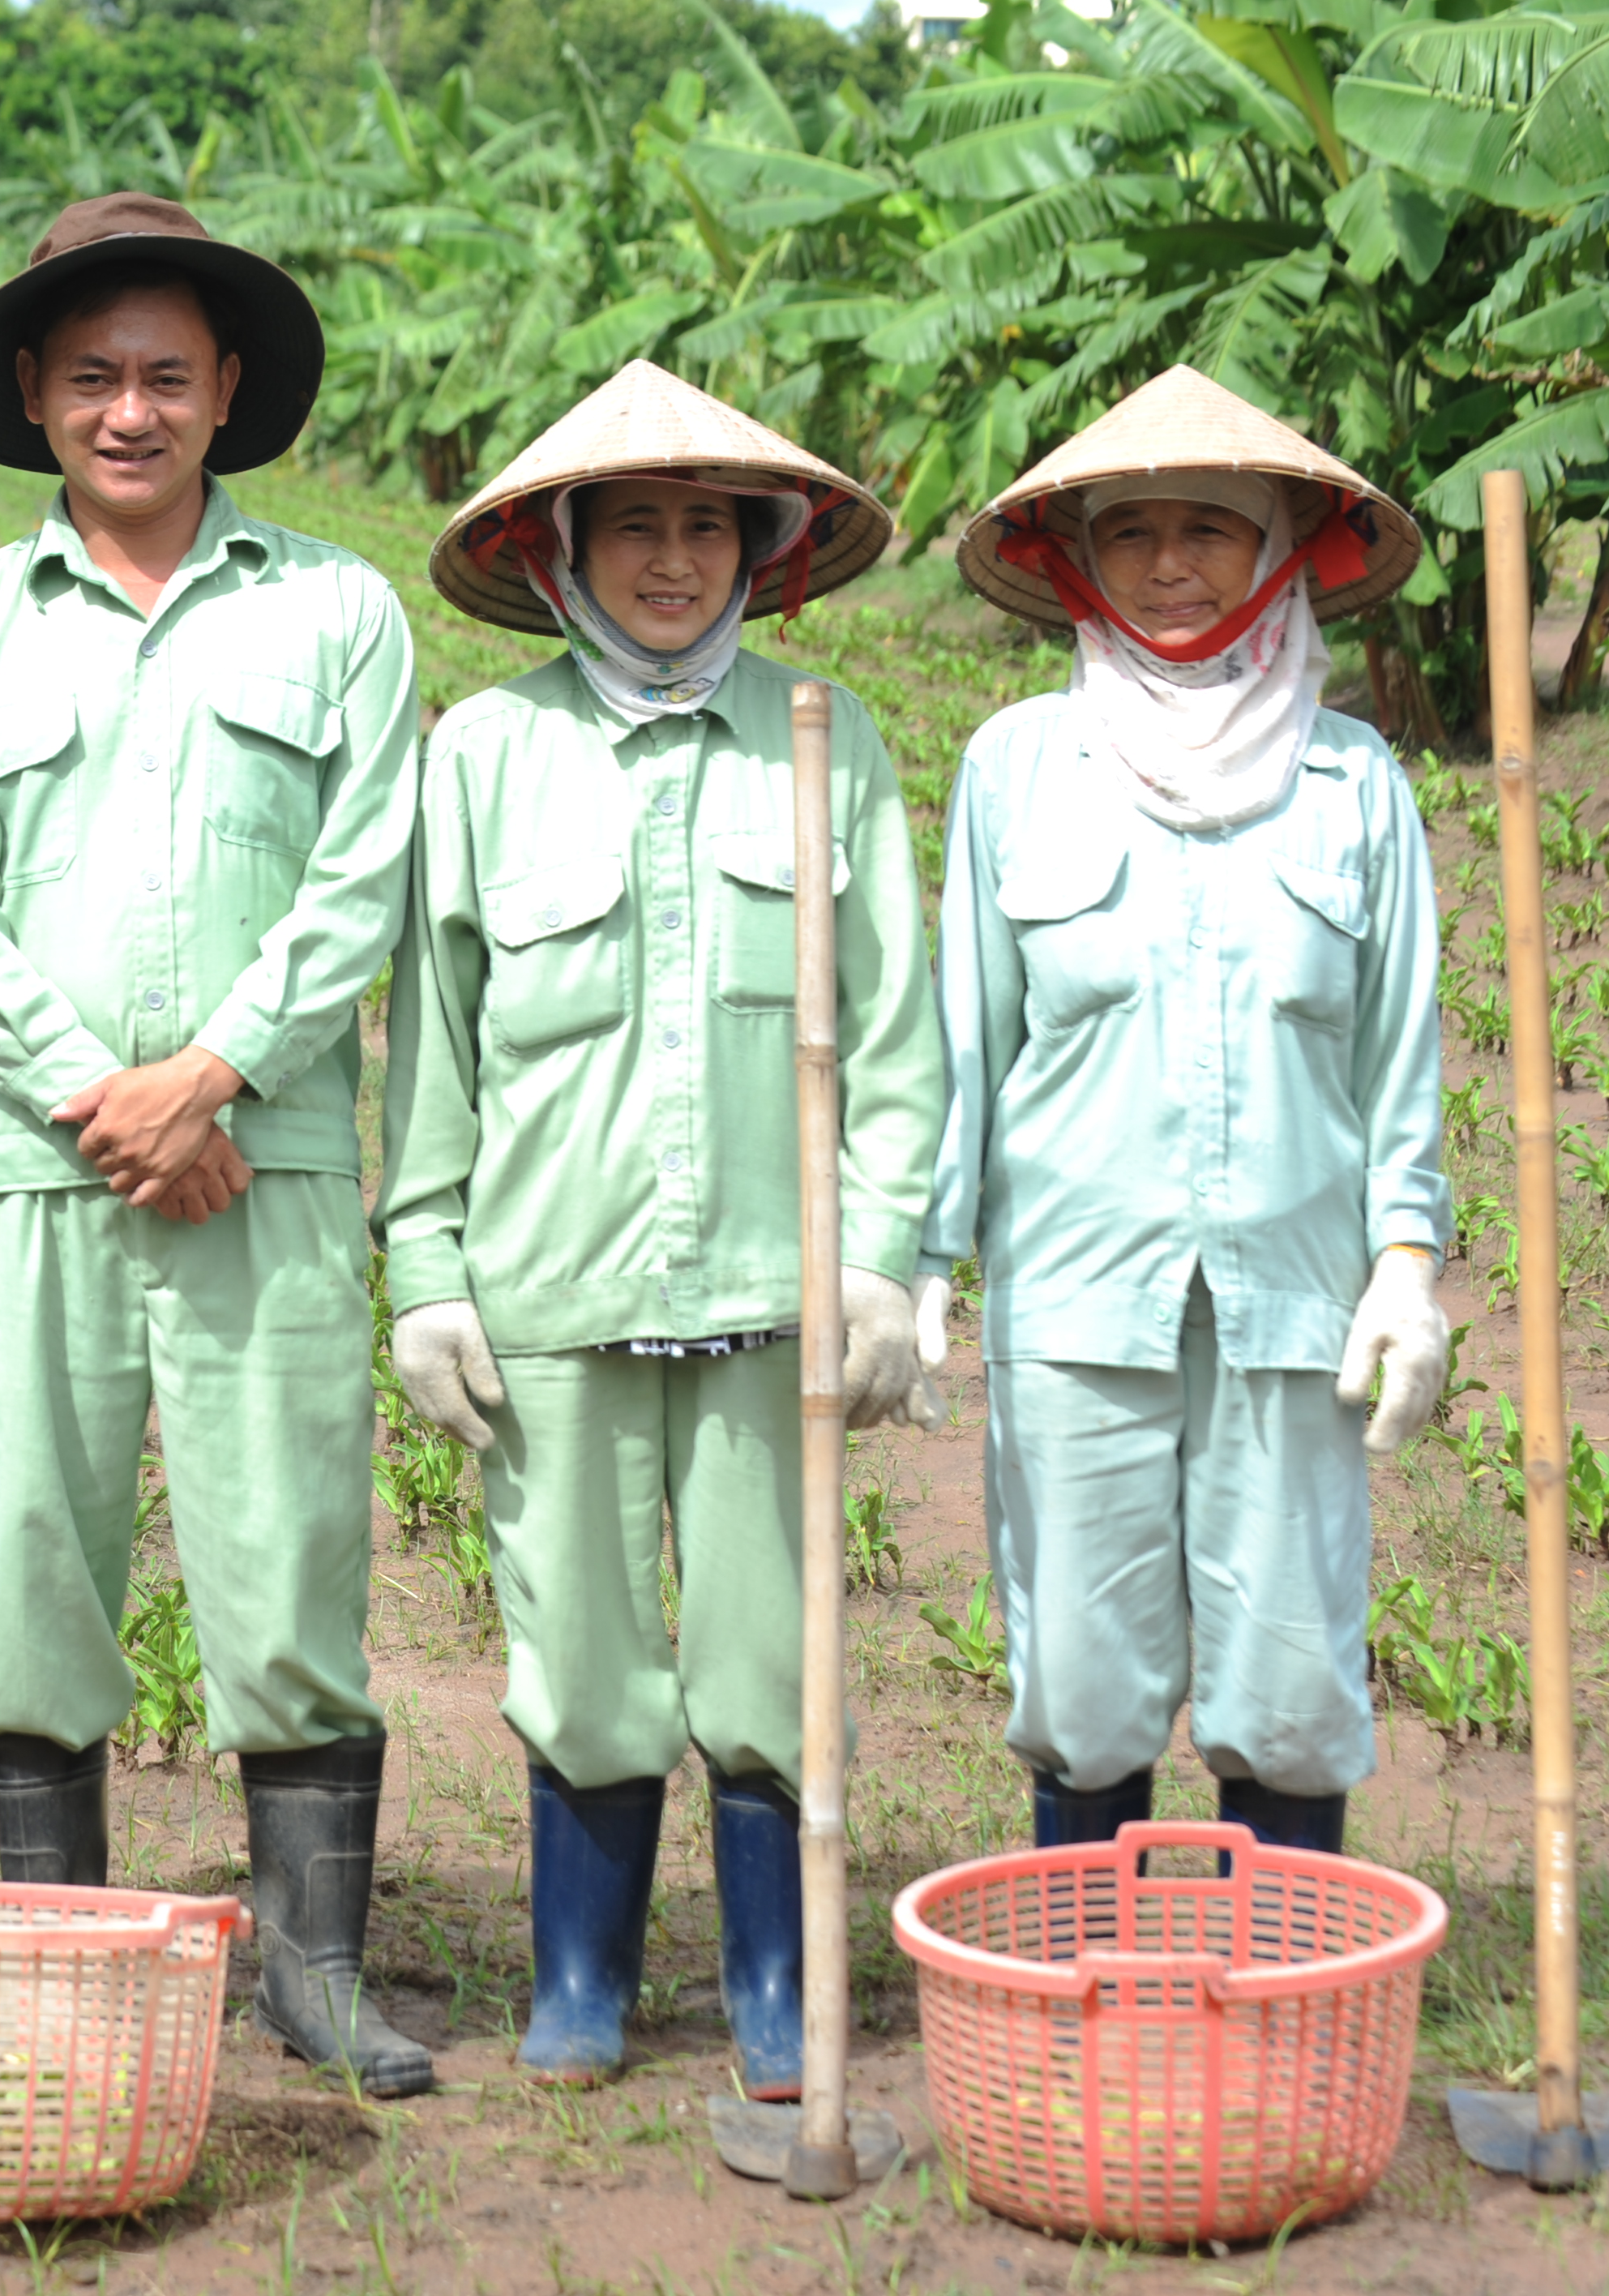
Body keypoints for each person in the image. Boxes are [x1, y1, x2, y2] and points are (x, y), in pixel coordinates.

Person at [0, 193, 432, 2096]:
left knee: (288, 1550)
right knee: (33, 1555)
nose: (130, 411)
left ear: (229, 397)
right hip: (44, 1171)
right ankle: (63, 1956)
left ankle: (311, 1971)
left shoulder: (337, 614)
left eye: (167, 378)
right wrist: (101, 1096)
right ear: (32, 392)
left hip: (259, 1163)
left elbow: (362, 874)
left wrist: (214, 1071)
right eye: (94, 374)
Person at [380, 363, 939, 2088]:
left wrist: (883, 1256)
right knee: (583, 1650)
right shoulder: (480, 756)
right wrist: (426, 1273)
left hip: (775, 1295)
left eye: (709, 526)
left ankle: (776, 1985)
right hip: (555, 1286)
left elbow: (901, 1033)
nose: (674, 559)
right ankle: (584, 1980)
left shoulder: (828, 742)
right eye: (636, 528)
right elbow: (433, 1047)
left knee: (772, 1652)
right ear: (561, 553)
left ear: (762, 551)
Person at [922, 364, 1450, 1857]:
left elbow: (1396, 1053)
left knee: (1290, 1674)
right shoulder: (1018, 770)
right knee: (1081, 1683)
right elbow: (966, 1039)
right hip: (1077, 1291)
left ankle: (1279, 1989)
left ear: (1281, 548)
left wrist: (1406, 1261)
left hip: (1295, 1296)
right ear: (1075, 556)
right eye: (1133, 530)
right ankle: (1100, 1980)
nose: (1169, 563)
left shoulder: (1355, 787)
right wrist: (915, 1262)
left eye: (1210, 529)